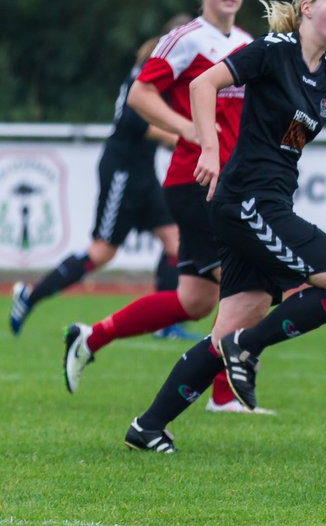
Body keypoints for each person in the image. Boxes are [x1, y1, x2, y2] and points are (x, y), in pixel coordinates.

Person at [124, 0, 326, 453]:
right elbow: (203, 86)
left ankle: (148, 427)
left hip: (265, 204)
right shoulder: (274, 50)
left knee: (228, 329)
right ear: (308, 7)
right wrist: (209, 149)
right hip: (247, 201)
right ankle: (247, 348)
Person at [61, 0, 254, 413]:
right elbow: (139, 94)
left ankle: (92, 337)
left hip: (225, 181)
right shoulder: (188, 38)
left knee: (193, 300)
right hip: (194, 178)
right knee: (249, 283)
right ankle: (227, 396)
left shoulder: (248, 44)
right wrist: (187, 128)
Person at [9, 17, 191, 338]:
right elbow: (139, 125)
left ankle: (165, 325)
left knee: (173, 238)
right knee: (103, 252)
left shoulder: (170, 75)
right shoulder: (147, 73)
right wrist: (188, 136)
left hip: (144, 174)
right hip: (121, 171)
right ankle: (29, 296)